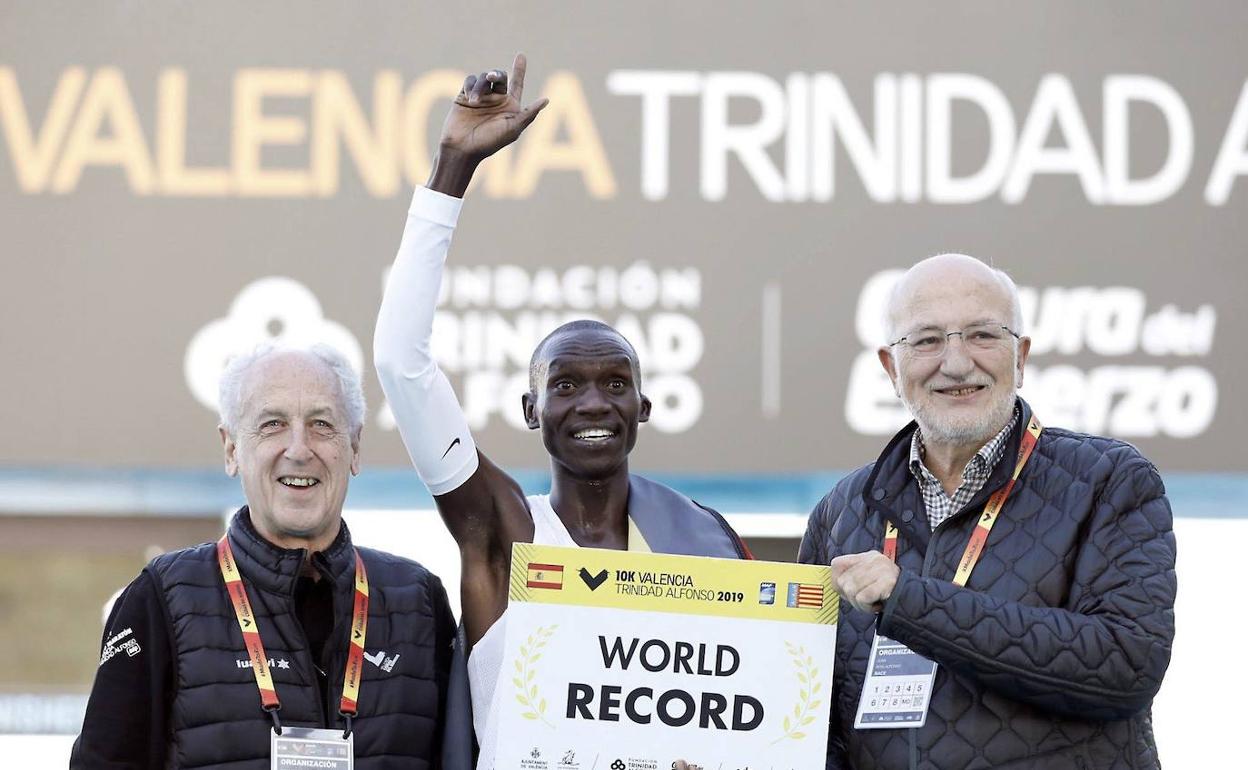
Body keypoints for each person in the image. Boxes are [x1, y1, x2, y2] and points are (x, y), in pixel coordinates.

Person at [373, 54, 750, 767]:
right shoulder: (504, 531)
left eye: (614, 383)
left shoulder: (705, 540)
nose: (592, 403)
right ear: (531, 408)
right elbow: (400, 360)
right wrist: (453, 165)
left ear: (643, 407)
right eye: (566, 385)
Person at [799, 254, 1176, 769]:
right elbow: (813, 720)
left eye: (981, 335)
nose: (955, 363)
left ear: (1020, 357)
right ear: (890, 367)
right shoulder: (839, 513)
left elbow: (1124, 665)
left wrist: (908, 600)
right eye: (926, 340)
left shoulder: (1109, 480)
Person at [71, 343, 457, 769]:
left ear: (355, 446)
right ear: (232, 448)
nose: (298, 448)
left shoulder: (418, 601)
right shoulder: (160, 597)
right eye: (272, 424)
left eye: (322, 424)